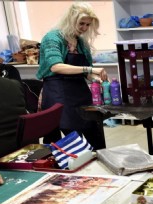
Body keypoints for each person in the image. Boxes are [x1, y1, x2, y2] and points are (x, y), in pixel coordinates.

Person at [37, 2, 108, 149]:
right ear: (70, 20)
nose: (84, 28)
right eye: (81, 23)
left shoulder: (80, 42)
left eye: (88, 25)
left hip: (80, 93)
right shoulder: (53, 38)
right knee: (71, 141)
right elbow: (56, 66)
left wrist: (97, 80)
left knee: (95, 135)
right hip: (58, 94)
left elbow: (87, 74)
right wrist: (89, 70)